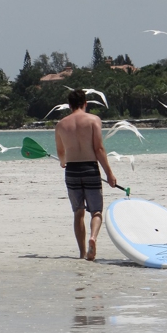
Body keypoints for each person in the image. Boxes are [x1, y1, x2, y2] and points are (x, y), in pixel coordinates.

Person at [55, 89, 117, 261]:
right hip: (90, 168)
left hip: (72, 170)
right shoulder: (93, 120)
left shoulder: (61, 124)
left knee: (78, 212)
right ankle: (93, 238)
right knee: (96, 211)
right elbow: (98, 149)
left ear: (69, 105)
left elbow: (61, 152)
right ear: (85, 103)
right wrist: (109, 174)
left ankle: (82, 252)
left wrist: (62, 162)